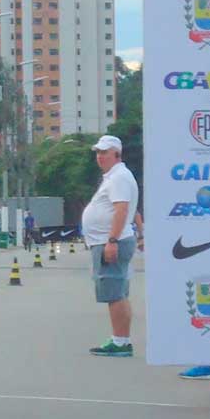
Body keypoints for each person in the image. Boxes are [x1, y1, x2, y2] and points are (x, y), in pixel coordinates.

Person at [82, 135, 139, 357]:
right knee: (118, 292)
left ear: (117, 154)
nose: (100, 157)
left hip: (111, 240)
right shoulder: (113, 177)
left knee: (114, 292)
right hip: (108, 240)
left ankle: (120, 342)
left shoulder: (119, 177)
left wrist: (112, 240)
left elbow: (122, 210)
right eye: (98, 152)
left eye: (105, 152)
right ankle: (120, 339)